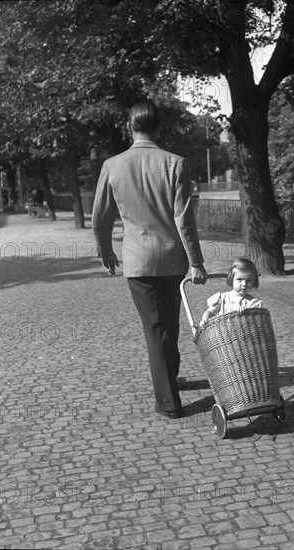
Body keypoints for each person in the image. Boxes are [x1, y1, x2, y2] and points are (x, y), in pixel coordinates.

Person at [92, 99, 207, 420]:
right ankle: (170, 380)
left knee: (156, 328)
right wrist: (196, 261)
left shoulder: (112, 166)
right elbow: (184, 220)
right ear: (158, 127)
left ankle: (168, 401)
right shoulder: (175, 163)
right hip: (173, 258)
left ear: (130, 127)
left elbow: (100, 218)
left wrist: (105, 252)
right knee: (168, 324)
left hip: (138, 261)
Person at [200, 258, 262, 328]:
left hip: (244, 336)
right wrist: (205, 319)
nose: (244, 284)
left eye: (249, 280)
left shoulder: (252, 303)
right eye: (240, 279)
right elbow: (210, 311)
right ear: (232, 279)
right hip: (222, 334)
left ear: (254, 282)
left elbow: (257, 323)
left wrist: (247, 314)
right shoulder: (222, 298)